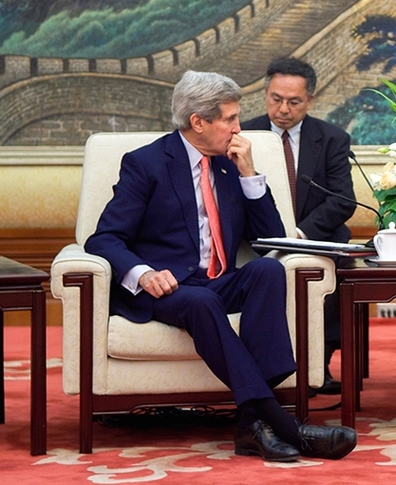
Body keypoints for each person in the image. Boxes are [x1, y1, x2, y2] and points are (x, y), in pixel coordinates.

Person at [85, 70, 357, 463]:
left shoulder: (230, 165)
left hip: (217, 280)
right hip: (169, 289)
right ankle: (287, 428)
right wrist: (143, 273)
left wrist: (249, 173)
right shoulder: (147, 164)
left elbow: (270, 241)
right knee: (201, 303)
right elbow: (103, 238)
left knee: (268, 271)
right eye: (229, 118)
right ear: (198, 122)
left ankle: (251, 427)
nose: (238, 127)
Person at [241, 57, 356, 396]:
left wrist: (300, 233)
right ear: (265, 95)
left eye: (294, 101)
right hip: (257, 237)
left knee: (334, 271)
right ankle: (268, 367)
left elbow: (342, 200)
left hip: (315, 236)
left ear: (310, 100)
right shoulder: (244, 135)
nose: (283, 109)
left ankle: (319, 363)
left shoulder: (332, 139)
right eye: (276, 99)